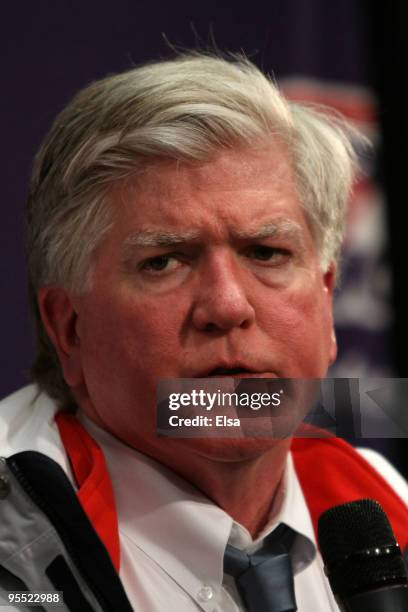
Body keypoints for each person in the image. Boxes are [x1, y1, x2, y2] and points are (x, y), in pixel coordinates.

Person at [0, 52, 407, 612]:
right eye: (165, 261)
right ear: (69, 328)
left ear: (327, 298)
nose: (227, 305)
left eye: (266, 252)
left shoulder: (387, 508)